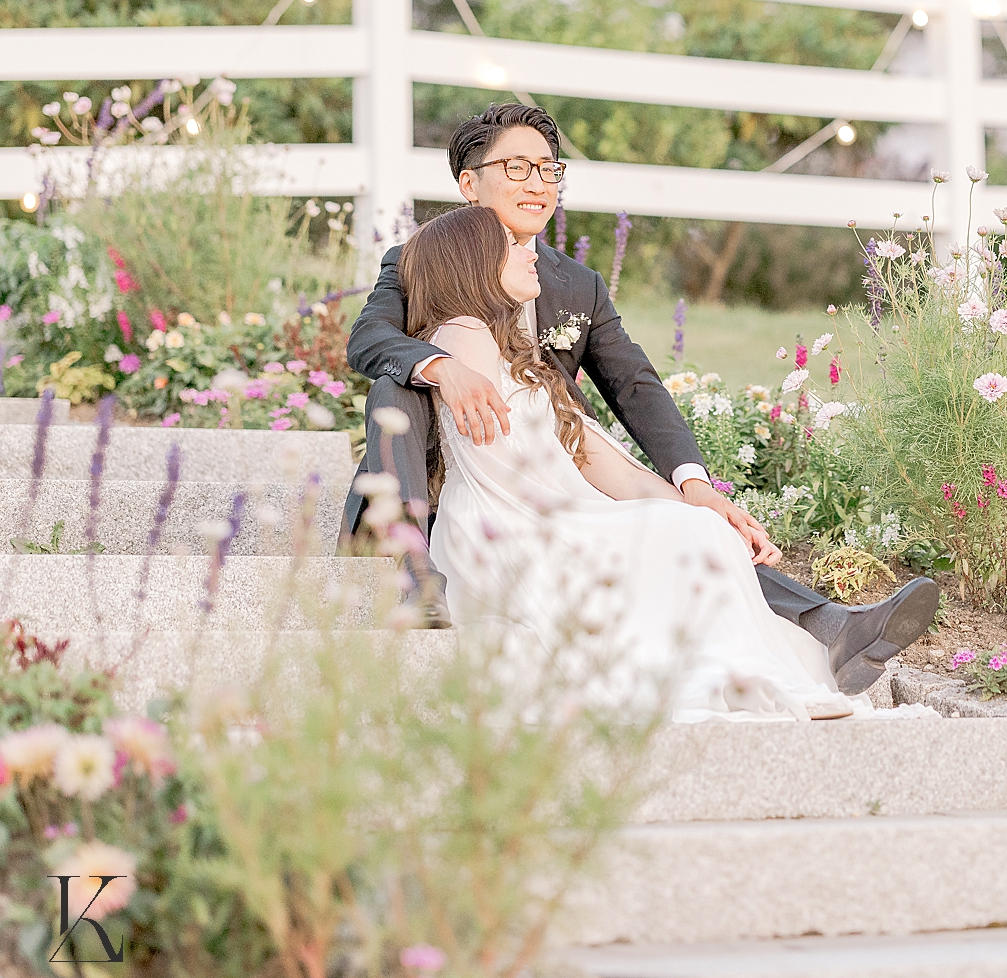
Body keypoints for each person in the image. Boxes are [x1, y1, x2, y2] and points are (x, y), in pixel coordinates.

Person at [343, 102, 937, 693]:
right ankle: (413, 566)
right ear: (469, 183)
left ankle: (828, 625)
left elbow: (635, 386)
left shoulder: (576, 284)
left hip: (549, 469)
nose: (539, 182)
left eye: (549, 169)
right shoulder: (420, 258)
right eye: (518, 167)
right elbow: (370, 339)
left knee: (683, 523)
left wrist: (695, 486)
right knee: (400, 376)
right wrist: (442, 365)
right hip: (455, 486)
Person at [398, 204, 863, 720]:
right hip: (507, 527)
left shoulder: (514, 353)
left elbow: (609, 468)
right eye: (509, 246)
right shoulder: (463, 334)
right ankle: (730, 679)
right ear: (473, 266)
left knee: (700, 529)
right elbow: (500, 455)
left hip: (547, 515)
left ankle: (744, 674)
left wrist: (705, 508)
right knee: (682, 538)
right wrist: (443, 370)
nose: (528, 252)